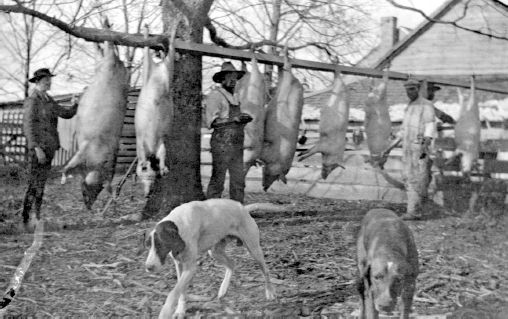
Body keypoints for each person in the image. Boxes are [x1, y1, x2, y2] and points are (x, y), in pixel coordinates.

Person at [21, 68, 78, 229]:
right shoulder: (33, 101)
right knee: (34, 184)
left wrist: (76, 105)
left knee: (41, 185)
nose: (49, 82)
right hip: (38, 150)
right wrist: (36, 147)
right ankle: (26, 220)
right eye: (46, 80)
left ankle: (36, 218)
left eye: (50, 79)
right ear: (38, 82)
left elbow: (65, 113)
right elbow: (29, 127)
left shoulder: (48, 100)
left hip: (49, 149)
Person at [382, 79, 437, 220]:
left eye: (412, 89)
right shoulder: (410, 106)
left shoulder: (426, 105)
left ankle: (415, 211)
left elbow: (430, 124)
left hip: (419, 147)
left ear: (418, 89)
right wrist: (389, 147)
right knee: (408, 177)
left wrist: (427, 140)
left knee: (418, 178)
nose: (409, 92)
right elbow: (403, 131)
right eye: (407, 90)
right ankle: (413, 210)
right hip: (407, 148)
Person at [205, 62, 253, 203]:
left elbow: (236, 119)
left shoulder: (236, 97)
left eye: (235, 77)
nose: (233, 80)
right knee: (218, 179)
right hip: (221, 143)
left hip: (237, 143)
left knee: (238, 180)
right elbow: (212, 122)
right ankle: (211, 210)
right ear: (221, 79)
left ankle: (237, 211)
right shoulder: (215, 95)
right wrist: (234, 120)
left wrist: (244, 119)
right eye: (229, 77)